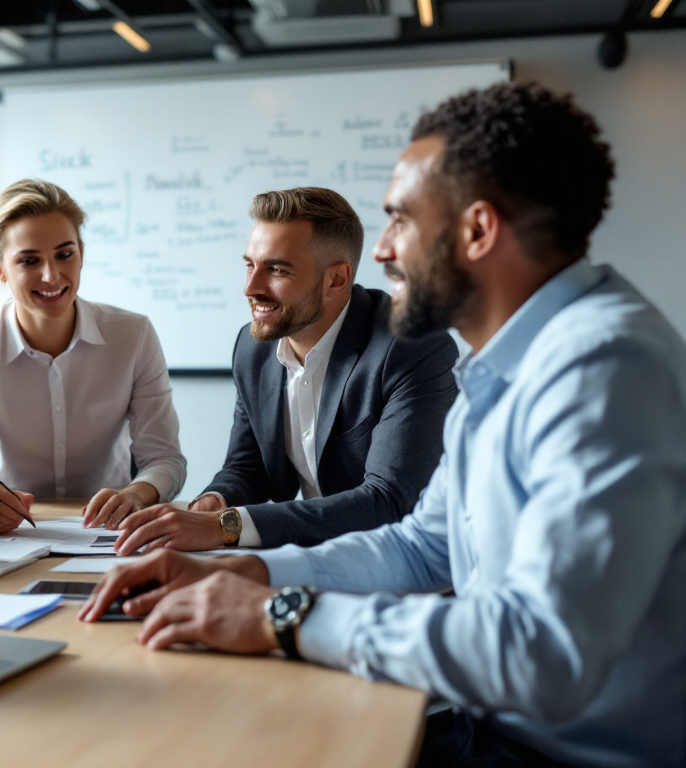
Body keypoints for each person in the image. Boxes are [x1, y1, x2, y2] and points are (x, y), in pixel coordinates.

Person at [80, 82, 686, 767]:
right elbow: (420, 550)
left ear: (478, 230)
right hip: (483, 723)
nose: (385, 250)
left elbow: (542, 654)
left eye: (400, 220)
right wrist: (249, 573)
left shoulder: (601, 369)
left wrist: (283, 616)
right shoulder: (509, 364)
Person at [113, 187, 458, 554]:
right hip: (306, 558)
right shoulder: (253, 348)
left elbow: (387, 502)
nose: (251, 288)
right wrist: (212, 503)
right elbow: (249, 468)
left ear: (337, 280)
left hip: (402, 566)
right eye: (250, 265)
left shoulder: (410, 347)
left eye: (276, 269)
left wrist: (225, 527)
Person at [0, 179, 186, 534]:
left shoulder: (133, 335)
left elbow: (165, 458)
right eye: (29, 260)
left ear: (81, 253)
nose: (51, 275)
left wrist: (135, 494)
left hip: (110, 530)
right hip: (12, 531)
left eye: (64, 254)